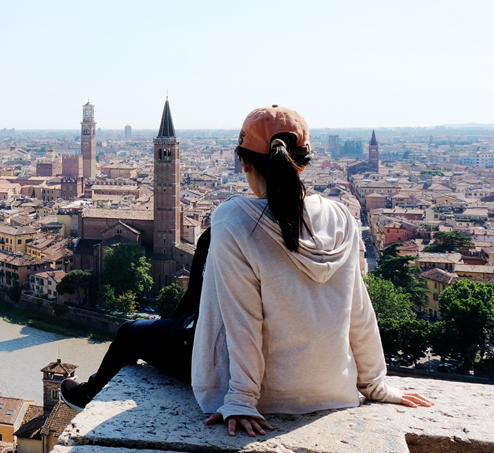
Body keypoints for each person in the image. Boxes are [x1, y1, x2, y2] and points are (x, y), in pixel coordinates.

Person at [61, 105, 432, 436]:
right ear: (303, 162)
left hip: (259, 393)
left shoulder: (234, 218)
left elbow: (242, 320)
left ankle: (85, 395)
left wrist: (240, 398)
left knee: (129, 334)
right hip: (336, 387)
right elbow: (359, 311)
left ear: (243, 162)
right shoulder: (341, 216)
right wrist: (376, 385)